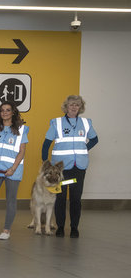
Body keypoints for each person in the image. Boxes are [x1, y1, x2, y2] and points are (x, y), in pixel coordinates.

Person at [42, 95, 98, 238]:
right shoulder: (57, 123)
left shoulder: (86, 123)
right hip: (60, 168)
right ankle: (60, 227)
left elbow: (94, 139)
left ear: (80, 107)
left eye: (77, 105)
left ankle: (74, 227)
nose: (74, 107)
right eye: (71, 104)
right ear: (66, 107)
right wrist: (45, 162)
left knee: (75, 198)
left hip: (78, 167)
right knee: (60, 197)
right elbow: (47, 143)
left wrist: (84, 149)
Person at [0, 101, 28, 240]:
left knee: (11, 201)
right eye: (2, 110)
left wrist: (13, 169)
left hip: (13, 171)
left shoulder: (21, 130)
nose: (5, 112)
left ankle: (6, 230)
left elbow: (21, 151)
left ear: (13, 112)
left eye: (8, 110)